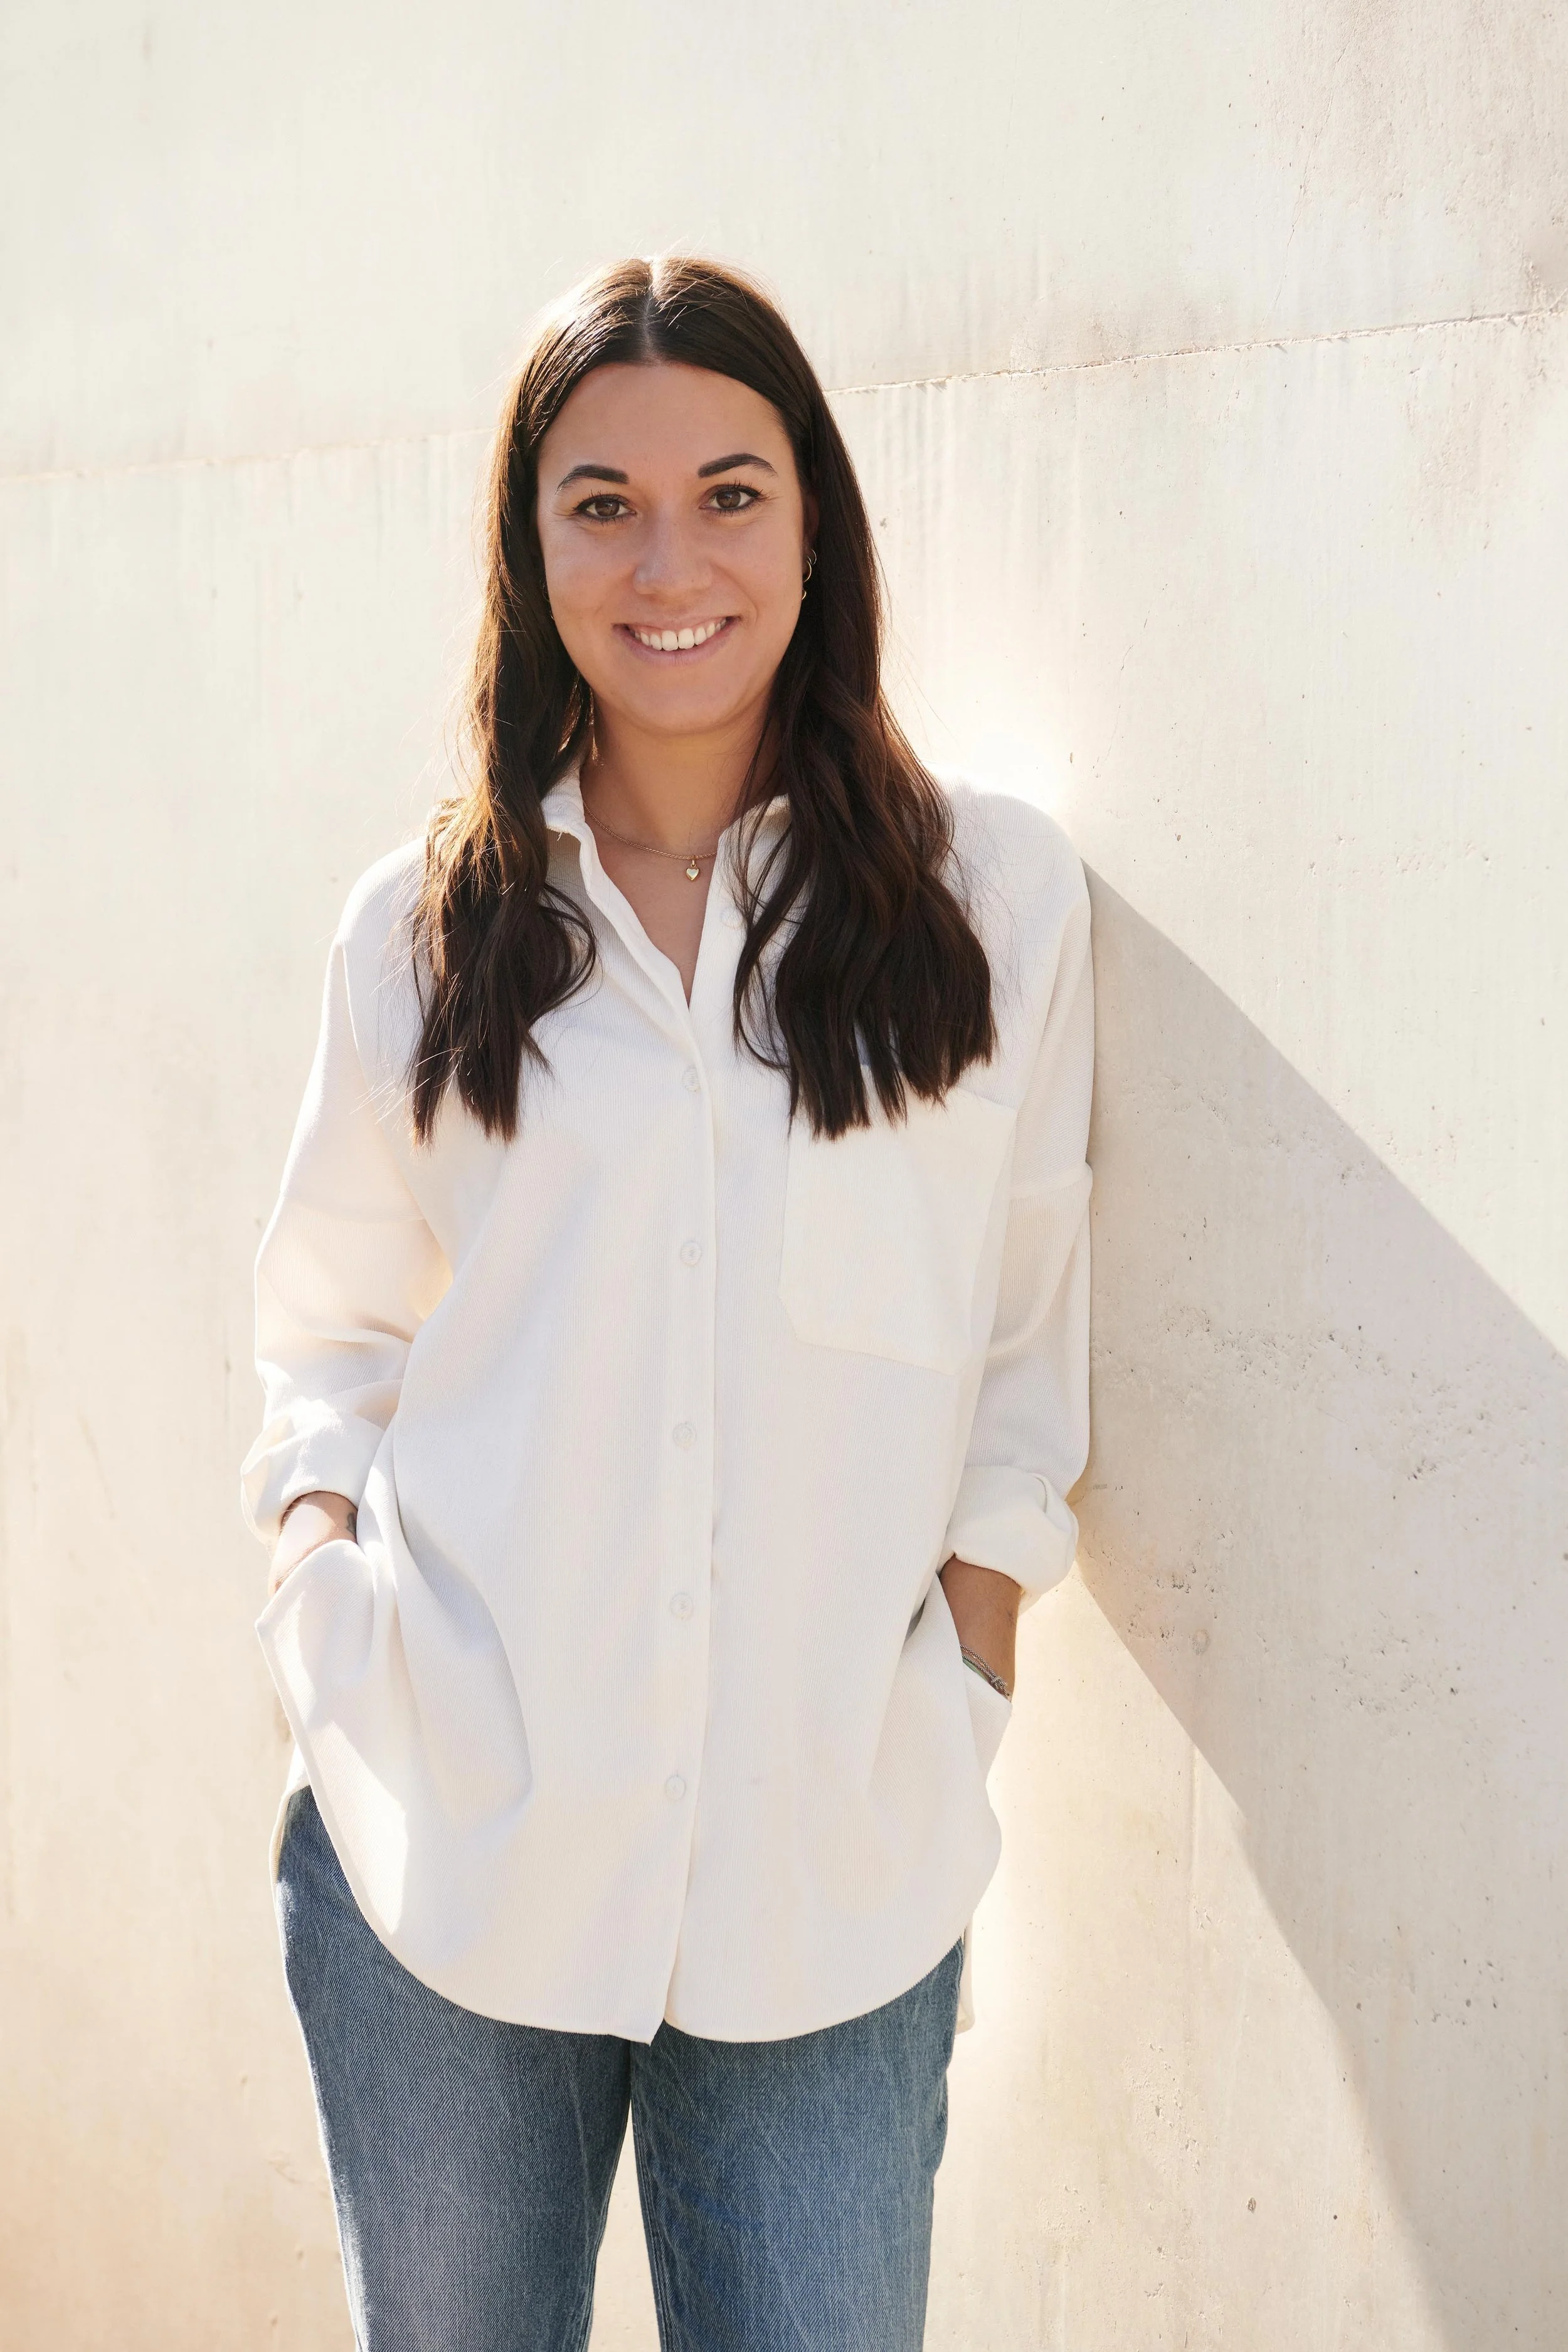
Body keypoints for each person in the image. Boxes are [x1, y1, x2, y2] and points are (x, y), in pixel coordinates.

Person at [242, 253, 1092, 2352]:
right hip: (451, 1852)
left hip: (835, 1881)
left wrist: (961, 1667)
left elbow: (1021, 1327)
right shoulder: (428, 931)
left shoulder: (992, 902)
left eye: (729, 489)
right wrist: (319, 1586)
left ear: (817, 526)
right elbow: (330, 1328)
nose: (668, 559)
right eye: (597, 504)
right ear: (531, 558)